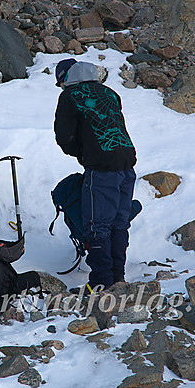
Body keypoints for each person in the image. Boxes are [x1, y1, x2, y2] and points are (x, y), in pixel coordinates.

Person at [53, 58, 137, 291]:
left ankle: (101, 285)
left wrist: (85, 154)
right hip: (127, 164)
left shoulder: (69, 96)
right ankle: (118, 279)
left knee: (97, 225)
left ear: (66, 78)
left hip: (102, 169)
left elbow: (65, 138)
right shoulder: (109, 93)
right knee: (119, 223)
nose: (61, 87)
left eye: (60, 82)